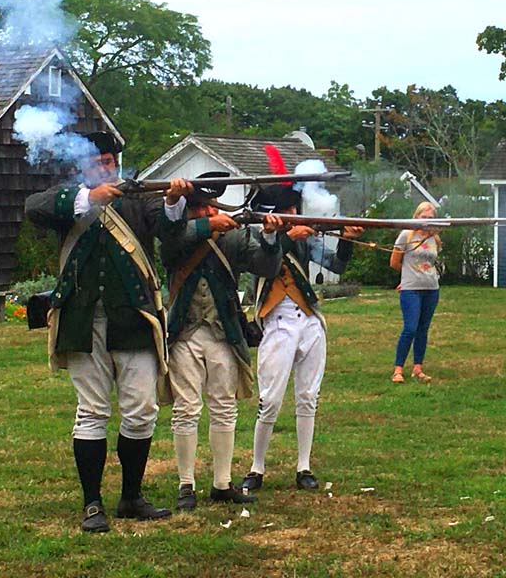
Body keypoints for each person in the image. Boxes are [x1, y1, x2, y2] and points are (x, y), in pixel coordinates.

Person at [25, 131, 191, 533]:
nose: (106, 166)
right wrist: (90, 198)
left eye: (110, 160)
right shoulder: (71, 201)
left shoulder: (137, 200)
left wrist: (172, 201)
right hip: (82, 323)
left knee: (141, 412)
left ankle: (131, 496)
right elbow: (34, 207)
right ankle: (92, 503)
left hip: (133, 321)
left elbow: (171, 235)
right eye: (98, 160)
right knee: (92, 412)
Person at [161, 179, 283, 511]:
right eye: (201, 207)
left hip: (222, 332)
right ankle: (186, 484)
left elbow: (265, 266)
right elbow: (169, 248)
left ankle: (222, 482)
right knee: (187, 409)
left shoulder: (231, 236)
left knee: (223, 407)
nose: (209, 211)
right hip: (184, 333)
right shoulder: (176, 232)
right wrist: (206, 226)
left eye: (212, 207)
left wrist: (271, 237)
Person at [241, 184, 362, 492]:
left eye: (295, 209)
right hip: (278, 321)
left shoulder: (304, 239)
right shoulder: (255, 236)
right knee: (270, 400)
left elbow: (335, 264)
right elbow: (261, 261)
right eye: (289, 209)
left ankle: (303, 465)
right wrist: (283, 237)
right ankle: (256, 467)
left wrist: (346, 239)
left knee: (308, 397)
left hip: (309, 320)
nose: (294, 213)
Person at [389, 201, 442, 383]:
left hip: (431, 288)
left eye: (430, 218)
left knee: (423, 329)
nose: (426, 221)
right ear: (416, 216)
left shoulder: (434, 238)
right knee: (410, 328)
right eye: (423, 217)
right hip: (411, 289)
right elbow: (395, 262)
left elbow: (432, 262)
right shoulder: (406, 235)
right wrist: (406, 279)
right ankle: (398, 370)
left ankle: (418, 368)